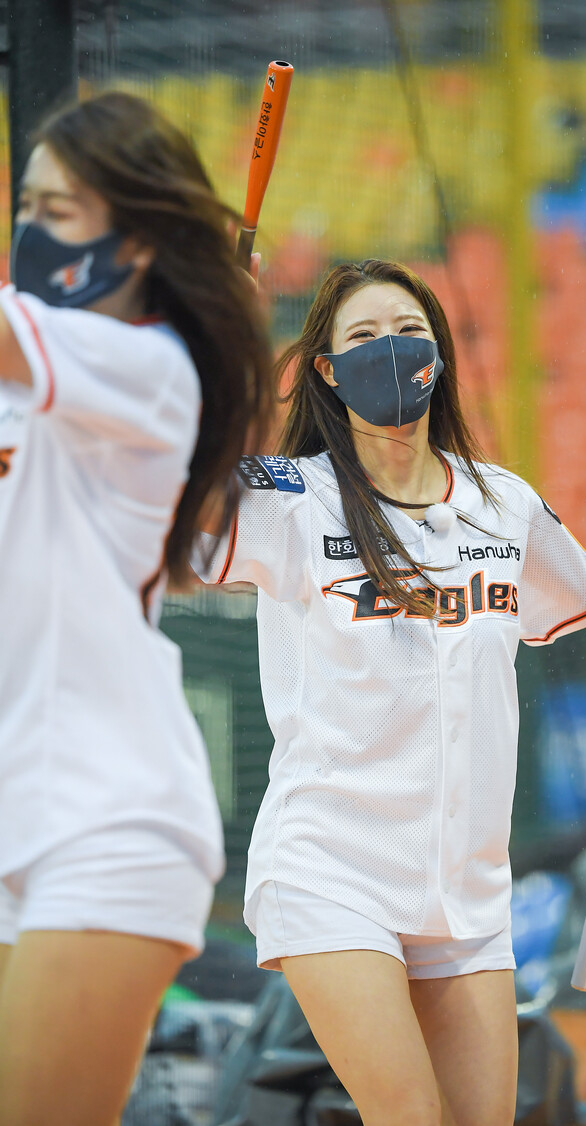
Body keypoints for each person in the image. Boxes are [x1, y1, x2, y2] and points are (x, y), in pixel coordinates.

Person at [201, 257, 586, 1126]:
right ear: (328, 374)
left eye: (409, 333)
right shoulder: (295, 500)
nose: (392, 351)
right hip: (332, 867)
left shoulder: (503, 504)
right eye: (364, 338)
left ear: (439, 356)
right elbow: (175, 504)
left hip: (468, 887)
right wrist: (213, 338)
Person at [0, 92, 273, 1126]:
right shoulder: (31, 387)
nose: (31, 231)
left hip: (107, 817)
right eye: (25, 203)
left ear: (143, 236)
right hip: (16, 812)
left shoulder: (149, 367)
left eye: (60, 209)